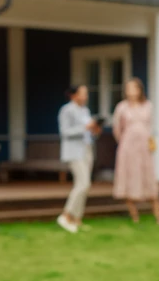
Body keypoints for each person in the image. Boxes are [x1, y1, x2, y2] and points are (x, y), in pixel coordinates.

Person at [112, 78, 159, 224]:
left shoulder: (147, 106)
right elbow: (117, 129)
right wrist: (125, 142)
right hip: (128, 147)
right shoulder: (121, 107)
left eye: (133, 88)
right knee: (129, 177)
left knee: (148, 177)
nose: (130, 91)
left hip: (144, 148)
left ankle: (158, 217)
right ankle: (135, 217)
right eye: (127, 88)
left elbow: (150, 126)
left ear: (139, 90)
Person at [57, 85, 102, 233]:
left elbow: (89, 131)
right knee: (83, 183)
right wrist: (85, 128)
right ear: (73, 95)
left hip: (87, 150)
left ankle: (77, 219)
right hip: (74, 152)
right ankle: (65, 215)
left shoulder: (85, 111)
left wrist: (94, 129)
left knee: (84, 185)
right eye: (83, 94)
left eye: (86, 94)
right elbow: (65, 132)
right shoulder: (66, 110)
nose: (85, 97)